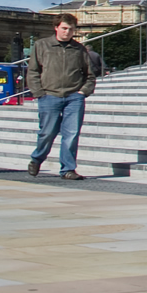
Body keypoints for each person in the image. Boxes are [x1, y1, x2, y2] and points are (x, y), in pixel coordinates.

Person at [28, 12, 103, 179]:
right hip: (49, 95)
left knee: (71, 133)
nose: (67, 32)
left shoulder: (79, 49)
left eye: (71, 29)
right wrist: (39, 93)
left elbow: (90, 74)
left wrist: (83, 92)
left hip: (73, 97)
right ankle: (37, 158)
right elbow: (33, 71)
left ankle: (68, 169)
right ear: (56, 28)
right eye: (64, 28)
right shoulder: (42, 46)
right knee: (47, 133)